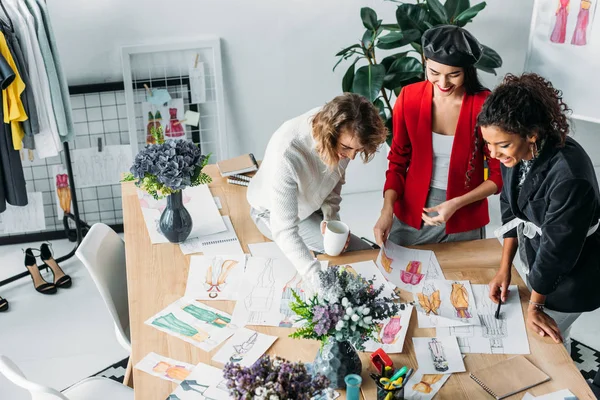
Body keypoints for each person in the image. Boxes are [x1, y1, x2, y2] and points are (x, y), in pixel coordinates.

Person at [479, 73, 600, 353]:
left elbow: (556, 253)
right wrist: (504, 268)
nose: (494, 154)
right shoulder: (517, 151)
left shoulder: (569, 177)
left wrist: (536, 305)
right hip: (541, 258)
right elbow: (511, 210)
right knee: (542, 336)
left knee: (547, 341)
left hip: (574, 273)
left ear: (531, 133)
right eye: (488, 144)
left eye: (502, 145)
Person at [373, 25, 502, 246]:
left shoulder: (485, 104)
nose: (443, 84)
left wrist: (456, 203)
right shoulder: (409, 97)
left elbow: (499, 174)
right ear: (425, 62)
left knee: (463, 279)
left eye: (454, 75)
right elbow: (397, 161)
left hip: (464, 214)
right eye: (434, 73)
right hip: (414, 211)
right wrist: (386, 211)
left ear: (467, 71)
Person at [247, 93, 387, 288]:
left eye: (358, 150)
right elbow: (284, 231)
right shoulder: (287, 153)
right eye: (347, 149)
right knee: (352, 261)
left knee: (366, 254)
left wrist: (330, 218)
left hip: (309, 206)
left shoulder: (347, 136)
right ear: (329, 132)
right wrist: (317, 280)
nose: (351, 157)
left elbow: (334, 180)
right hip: (271, 213)